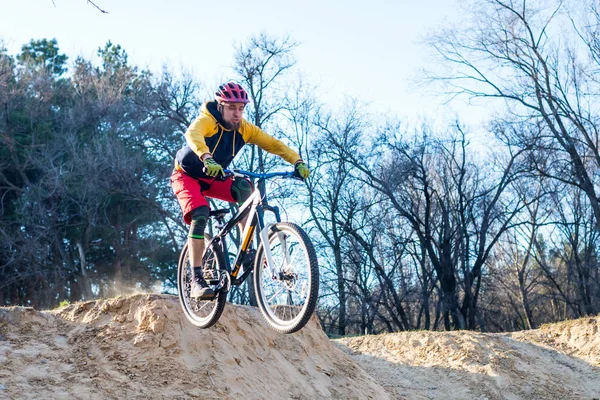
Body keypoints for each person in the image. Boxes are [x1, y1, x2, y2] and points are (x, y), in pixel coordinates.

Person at [171, 81, 310, 299]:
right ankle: (196, 278)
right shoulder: (208, 120)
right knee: (200, 213)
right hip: (186, 176)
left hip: (215, 176)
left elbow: (273, 144)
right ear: (221, 106)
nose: (237, 113)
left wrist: (297, 161)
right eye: (232, 108)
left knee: (247, 188)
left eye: (241, 108)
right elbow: (192, 134)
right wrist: (207, 157)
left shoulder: (245, 129)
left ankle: (246, 253)